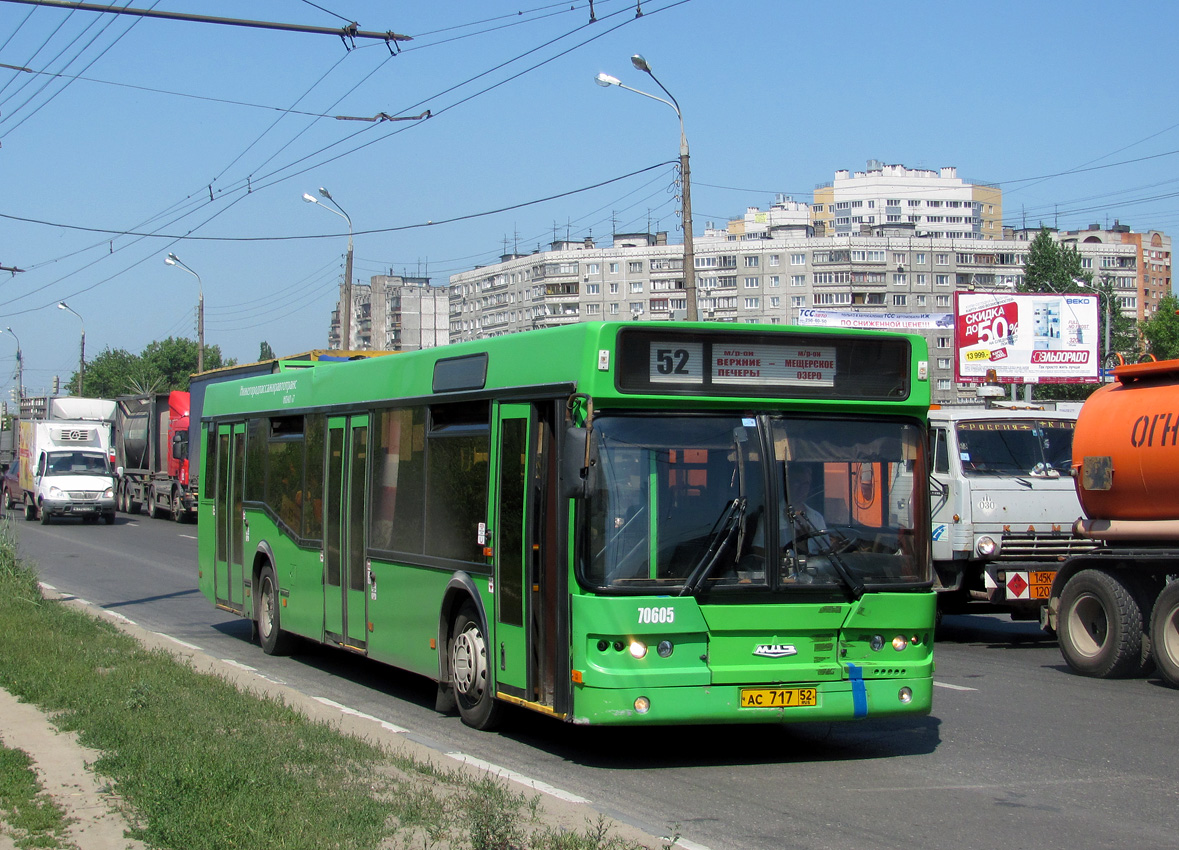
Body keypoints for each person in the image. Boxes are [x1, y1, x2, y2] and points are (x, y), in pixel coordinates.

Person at [782, 463, 830, 554]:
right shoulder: (772, 516)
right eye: (797, 483)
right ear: (788, 484)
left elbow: (826, 549)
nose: (802, 489)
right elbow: (758, 549)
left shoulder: (817, 518)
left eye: (806, 484)